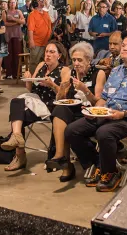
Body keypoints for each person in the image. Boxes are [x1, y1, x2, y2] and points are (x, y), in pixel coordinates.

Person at [65, 30, 127, 192]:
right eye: (123, 45)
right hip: (108, 114)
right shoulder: (116, 71)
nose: (124, 48)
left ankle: (110, 172)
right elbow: (104, 98)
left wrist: (124, 114)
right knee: (72, 130)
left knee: (104, 132)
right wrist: (96, 109)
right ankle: (99, 164)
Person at [0, 42, 69, 171]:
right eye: (46, 51)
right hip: (36, 102)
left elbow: (64, 96)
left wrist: (52, 85)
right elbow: (30, 88)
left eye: (52, 52)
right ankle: (17, 140)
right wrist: (28, 78)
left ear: (59, 55)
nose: (48, 55)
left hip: (52, 105)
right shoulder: (41, 65)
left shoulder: (64, 70)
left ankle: (19, 154)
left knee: (18, 115)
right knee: (16, 105)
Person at [46, 42, 108, 181]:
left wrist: (84, 89)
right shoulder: (70, 72)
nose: (76, 63)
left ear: (89, 60)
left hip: (88, 112)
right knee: (59, 110)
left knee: (65, 122)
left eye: (80, 60)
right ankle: (62, 158)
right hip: (72, 110)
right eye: (74, 60)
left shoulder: (99, 73)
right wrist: (61, 89)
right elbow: (61, 99)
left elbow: (97, 102)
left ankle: (65, 162)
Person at [26, 0, 53, 71]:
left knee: (44, 62)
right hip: (36, 42)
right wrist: (31, 41)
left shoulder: (46, 13)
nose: (42, 1)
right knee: (34, 62)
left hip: (47, 42)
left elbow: (50, 26)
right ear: (36, 4)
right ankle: (32, 80)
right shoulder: (32, 15)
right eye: (40, 1)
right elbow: (30, 29)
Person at [3, 0, 25, 80]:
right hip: (8, 35)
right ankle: (9, 74)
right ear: (8, 3)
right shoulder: (5, 12)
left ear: (16, 4)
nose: (12, 4)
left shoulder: (19, 11)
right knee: (8, 55)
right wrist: (16, 22)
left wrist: (13, 19)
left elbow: (23, 21)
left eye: (14, 2)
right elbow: (5, 23)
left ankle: (17, 73)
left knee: (17, 55)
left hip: (17, 35)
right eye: (11, 2)